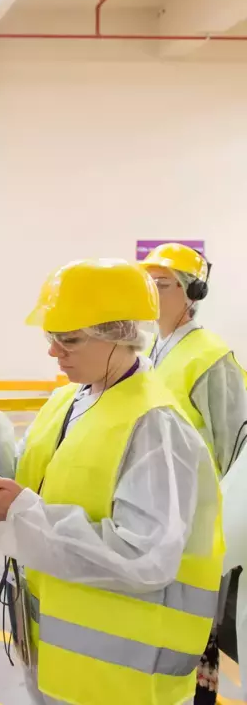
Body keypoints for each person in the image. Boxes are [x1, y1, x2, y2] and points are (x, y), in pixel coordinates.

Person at [0, 259, 224, 705]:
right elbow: (27, 477)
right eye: (51, 339)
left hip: (123, 676)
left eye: (69, 340)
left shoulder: (155, 427)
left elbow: (144, 557)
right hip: (61, 657)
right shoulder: (72, 399)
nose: (54, 352)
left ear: (121, 334)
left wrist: (24, 513)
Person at [140, 243, 247, 704]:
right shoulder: (151, 348)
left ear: (191, 292)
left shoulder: (210, 356)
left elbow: (233, 447)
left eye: (161, 285)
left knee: (199, 632)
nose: (150, 294)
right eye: (146, 284)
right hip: (158, 509)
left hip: (198, 519)